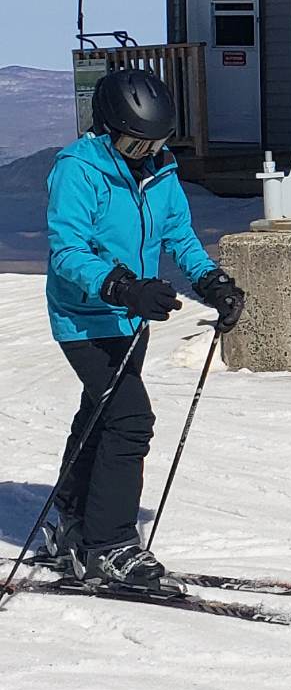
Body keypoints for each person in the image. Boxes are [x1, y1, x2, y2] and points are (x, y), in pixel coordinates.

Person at [38, 67, 246, 591]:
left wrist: (211, 280)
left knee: (101, 413)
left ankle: (71, 520)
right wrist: (121, 286)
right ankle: (109, 544)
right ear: (107, 129)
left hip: (132, 316)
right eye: (134, 141)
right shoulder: (77, 170)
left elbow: (178, 233)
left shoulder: (160, 169)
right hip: (85, 318)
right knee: (131, 419)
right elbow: (67, 251)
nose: (145, 151)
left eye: (155, 141)